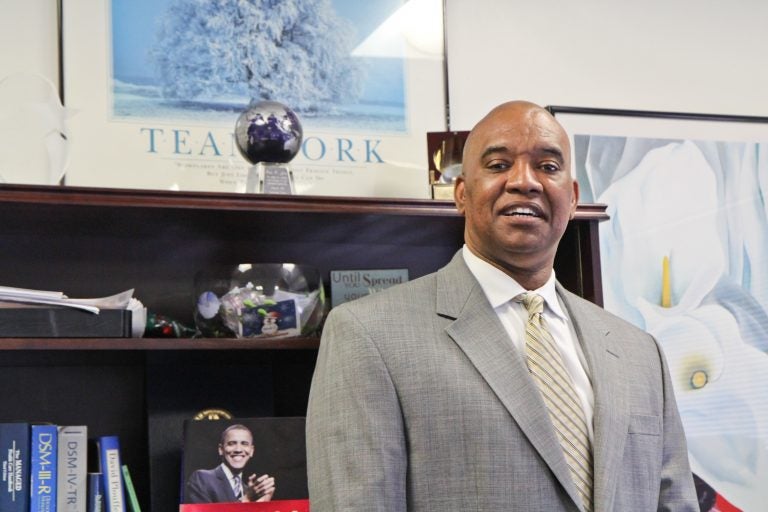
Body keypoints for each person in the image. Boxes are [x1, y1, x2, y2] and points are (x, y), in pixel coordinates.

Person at [305, 100, 699, 511]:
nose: (525, 182)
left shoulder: (639, 351)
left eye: (548, 167)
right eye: (497, 165)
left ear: (573, 197)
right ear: (460, 193)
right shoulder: (368, 335)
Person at [184, 424, 276, 504]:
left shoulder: (248, 490)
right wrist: (247, 499)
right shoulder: (202, 478)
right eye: (231, 444)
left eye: (244, 444)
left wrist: (263, 504)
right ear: (221, 449)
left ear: (251, 451)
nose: (238, 449)